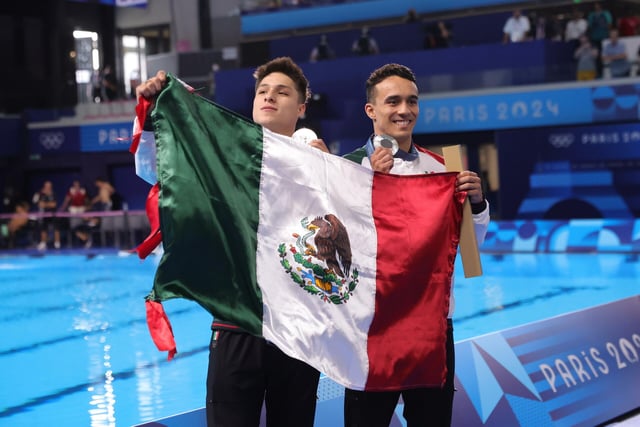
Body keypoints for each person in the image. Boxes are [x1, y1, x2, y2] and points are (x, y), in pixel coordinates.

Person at [136, 57, 327, 427]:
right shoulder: (222, 156)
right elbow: (156, 171)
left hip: (298, 333)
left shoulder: (322, 165)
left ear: (301, 108)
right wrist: (152, 112)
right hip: (235, 326)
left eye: (282, 92)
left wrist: (325, 174)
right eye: (262, 91)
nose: (269, 97)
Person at [342, 63, 490, 427]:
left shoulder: (442, 169)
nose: (404, 110)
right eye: (393, 101)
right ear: (371, 110)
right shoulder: (345, 170)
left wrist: (477, 205)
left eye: (412, 101)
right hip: (370, 329)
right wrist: (370, 186)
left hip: (432, 328)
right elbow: (336, 250)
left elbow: (468, 249)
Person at [32, 180, 61, 250]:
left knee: (56, 228)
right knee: (43, 229)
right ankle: (43, 243)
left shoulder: (53, 193)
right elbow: (36, 202)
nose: (48, 188)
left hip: (52, 214)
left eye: (50, 186)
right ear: (44, 186)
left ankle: (57, 243)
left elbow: (54, 204)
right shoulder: (39, 193)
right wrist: (46, 204)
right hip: (43, 214)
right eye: (47, 186)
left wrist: (45, 204)